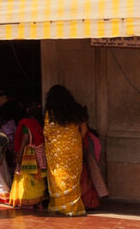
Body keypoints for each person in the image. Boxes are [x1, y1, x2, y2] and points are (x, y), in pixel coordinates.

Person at [44, 84, 89, 216]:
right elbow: (84, 130)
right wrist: (74, 140)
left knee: (59, 177)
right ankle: (74, 207)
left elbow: (47, 132)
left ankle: (61, 206)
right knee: (73, 177)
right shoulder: (77, 109)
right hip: (74, 148)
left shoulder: (51, 113)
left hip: (56, 151)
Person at [9, 103, 47, 208]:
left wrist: (19, 154)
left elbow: (25, 139)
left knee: (26, 177)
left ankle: (28, 202)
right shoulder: (40, 125)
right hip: (39, 155)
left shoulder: (27, 124)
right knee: (38, 178)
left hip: (29, 155)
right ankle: (39, 201)